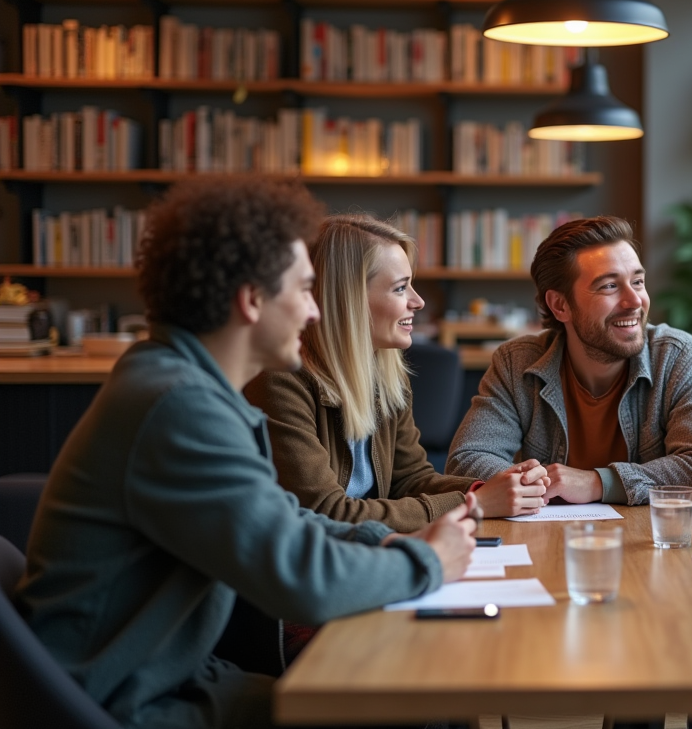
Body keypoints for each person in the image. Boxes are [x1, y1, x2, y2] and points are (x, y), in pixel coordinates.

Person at [15, 179, 477, 729]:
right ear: (252, 300)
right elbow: (301, 580)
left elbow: (285, 523)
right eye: (305, 290)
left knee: (426, 695)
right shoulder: (180, 407)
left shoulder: (181, 385)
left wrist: (384, 538)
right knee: (412, 705)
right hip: (132, 701)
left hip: (175, 675)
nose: (315, 311)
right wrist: (426, 562)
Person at [244, 214, 548, 526]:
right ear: (349, 299)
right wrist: (474, 503)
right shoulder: (280, 382)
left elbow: (411, 479)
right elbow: (327, 513)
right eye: (401, 288)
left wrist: (494, 488)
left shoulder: (384, 374)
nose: (418, 301)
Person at [446, 216, 692, 506]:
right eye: (609, 286)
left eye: (638, 281)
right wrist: (541, 484)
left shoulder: (677, 356)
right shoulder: (516, 363)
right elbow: (466, 460)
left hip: (647, 541)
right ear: (560, 305)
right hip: (546, 540)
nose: (634, 301)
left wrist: (597, 482)